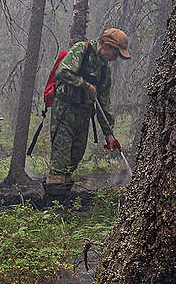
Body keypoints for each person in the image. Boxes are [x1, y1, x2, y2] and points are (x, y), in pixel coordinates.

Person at [45, 28, 129, 203]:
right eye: (115, 53)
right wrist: (85, 85)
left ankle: (62, 198)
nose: (115, 59)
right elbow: (63, 72)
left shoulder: (104, 70)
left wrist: (109, 133)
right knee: (60, 160)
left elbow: (104, 103)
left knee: (74, 158)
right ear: (106, 45)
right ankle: (53, 207)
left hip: (83, 115)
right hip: (65, 112)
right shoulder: (81, 50)